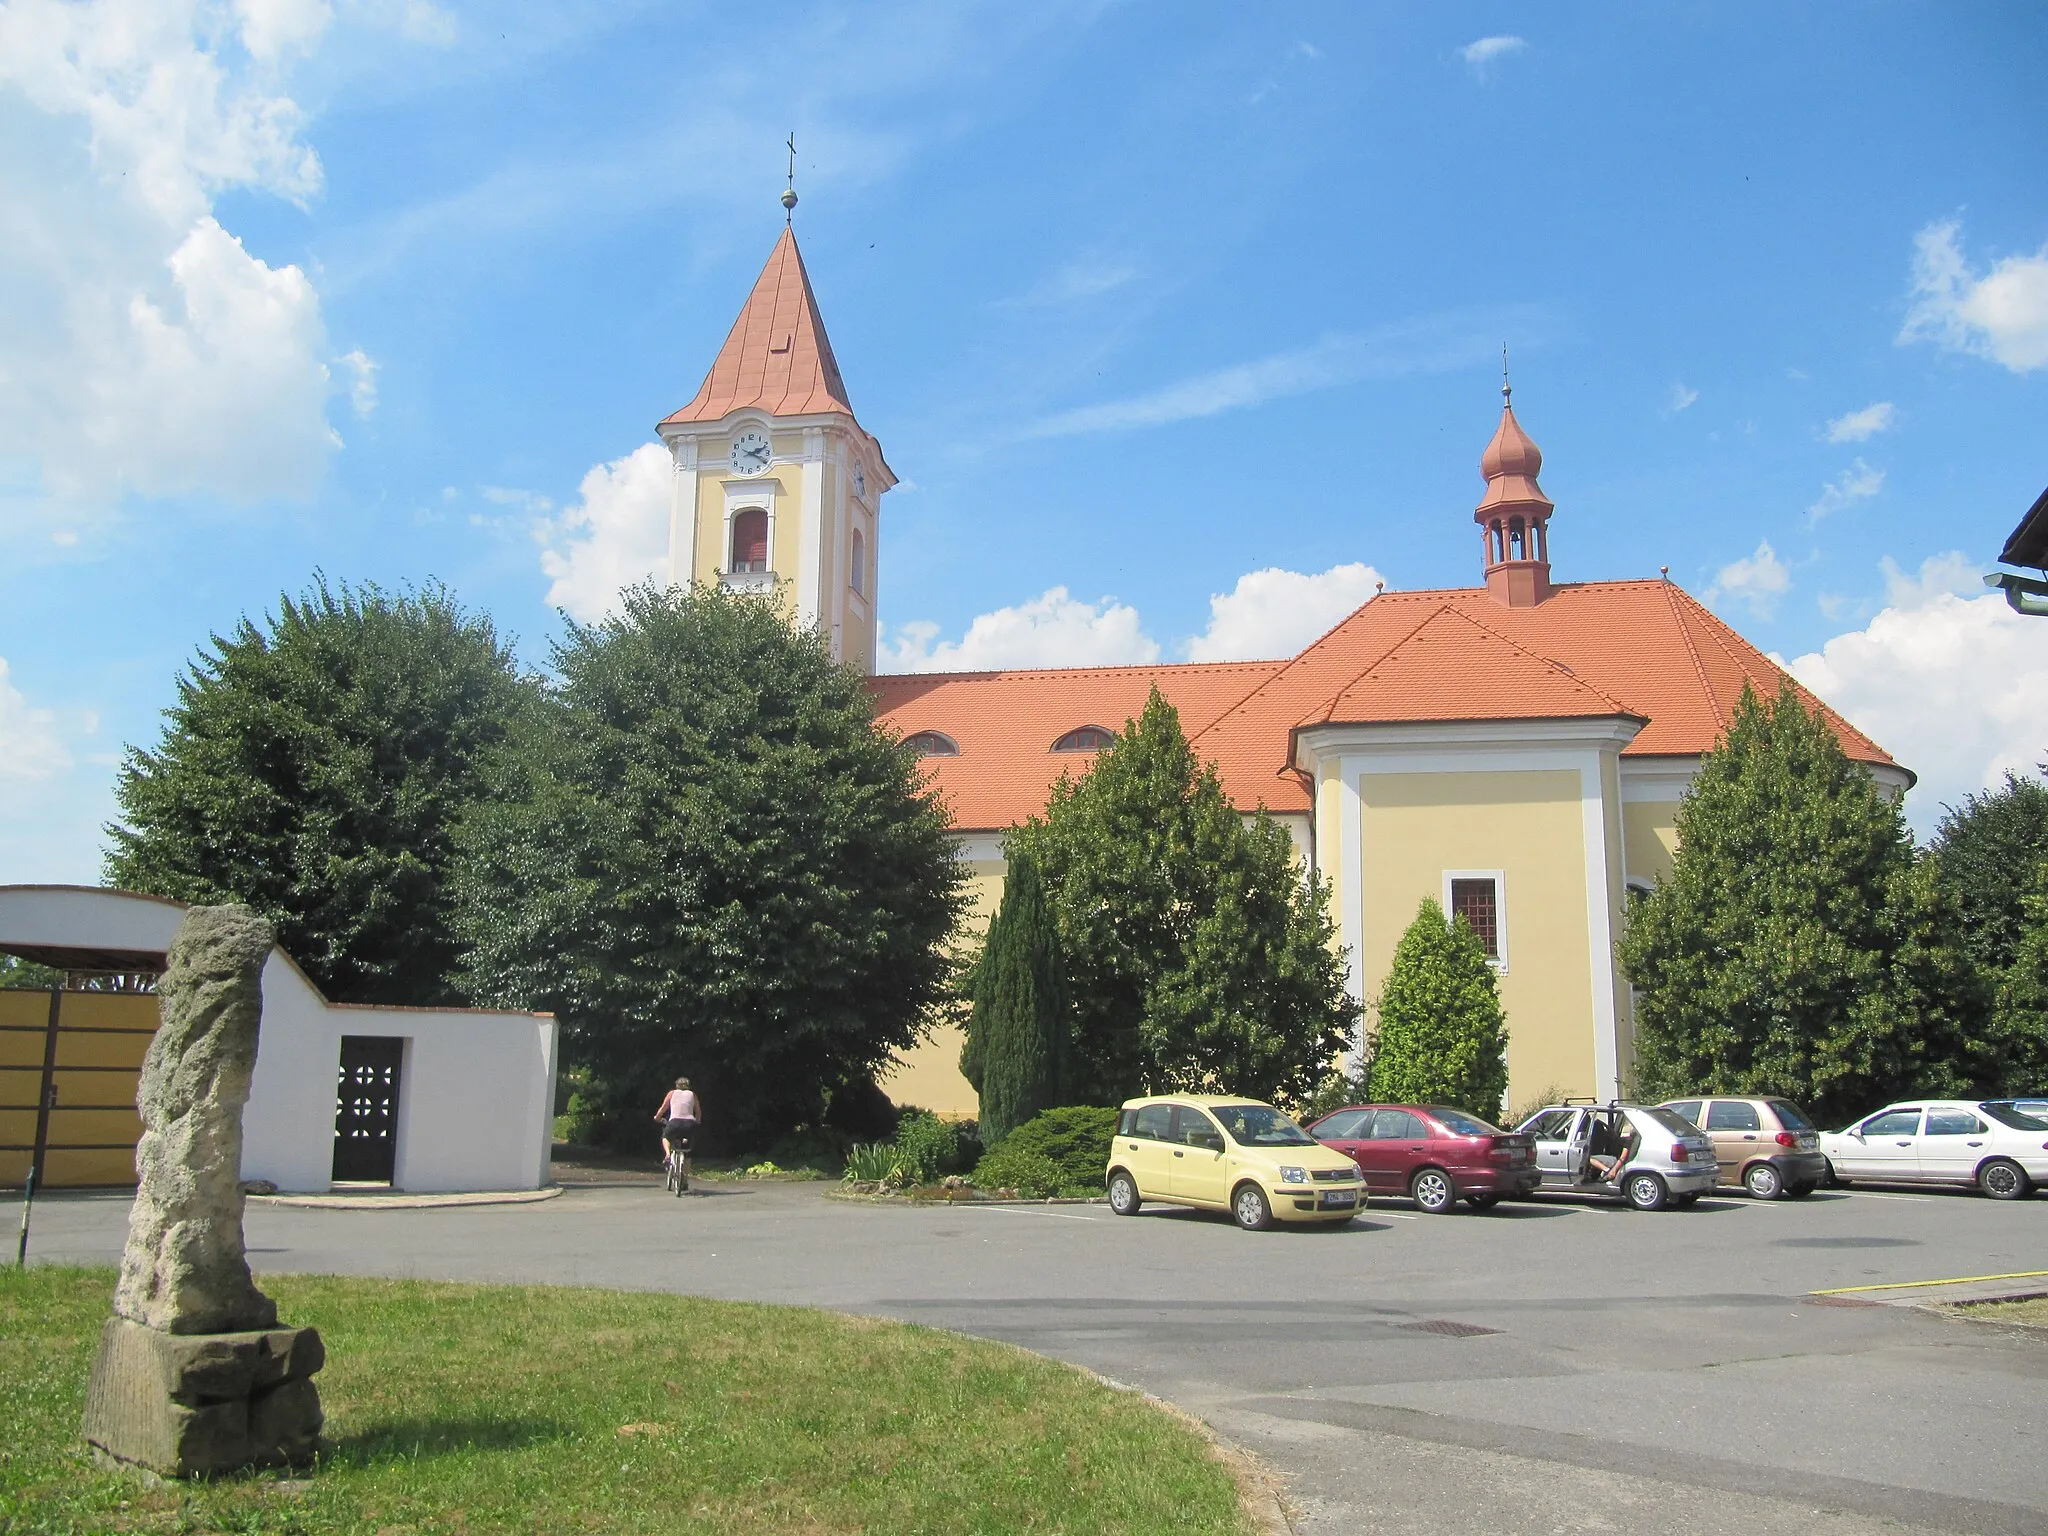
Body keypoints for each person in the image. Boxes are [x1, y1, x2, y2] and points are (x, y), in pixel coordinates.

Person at [654, 1078, 701, 1182]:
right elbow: (698, 1111)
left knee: (665, 1137)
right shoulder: (692, 1094)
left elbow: (663, 1108)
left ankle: (667, 1154)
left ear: (677, 1085)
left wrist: (657, 1118)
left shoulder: (671, 1093)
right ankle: (684, 1180)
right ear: (688, 1085)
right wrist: (697, 1122)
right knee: (687, 1154)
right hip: (689, 1124)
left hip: (674, 1122)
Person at [1586, 1116, 1638, 1184]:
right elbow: (1613, 1134)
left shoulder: (1628, 1142)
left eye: (1631, 1128)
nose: (1630, 1129)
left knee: (1590, 1159)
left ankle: (1606, 1170)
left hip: (1615, 1160)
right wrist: (1602, 1123)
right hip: (1614, 1158)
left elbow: (1623, 1157)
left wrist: (1613, 1170)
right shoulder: (1629, 1140)